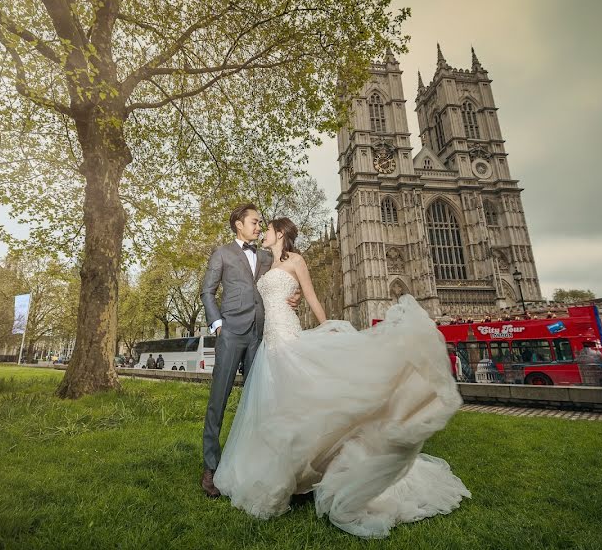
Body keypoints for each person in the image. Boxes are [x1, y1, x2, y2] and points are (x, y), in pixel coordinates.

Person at [212, 217, 470, 539]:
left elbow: (310, 295)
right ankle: (295, 474)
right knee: (280, 407)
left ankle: (304, 474)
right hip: (270, 342)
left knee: (303, 403)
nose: (262, 231)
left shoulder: (297, 260)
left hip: (289, 336)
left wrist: (324, 326)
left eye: (267, 228)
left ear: (279, 233)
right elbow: (257, 296)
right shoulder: (264, 262)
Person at [200, 203, 300, 499]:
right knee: (218, 400)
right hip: (231, 333)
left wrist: (295, 296)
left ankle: (259, 464)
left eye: (261, 223)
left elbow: (288, 275)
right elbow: (207, 290)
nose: (259, 227)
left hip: (260, 335)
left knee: (260, 402)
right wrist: (218, 325)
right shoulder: (222, 254)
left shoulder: (268, 256)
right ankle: (210, 467)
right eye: (255, 222)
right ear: (238, 224)